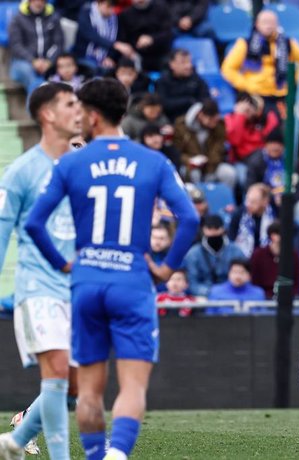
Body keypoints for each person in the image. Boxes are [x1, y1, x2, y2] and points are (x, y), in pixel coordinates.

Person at [24, 78, 200, 460]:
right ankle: (117, 455)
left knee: (88, 391)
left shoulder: (71, 162)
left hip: (86, 281)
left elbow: (35, 223)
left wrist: (64, 263)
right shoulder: (154, 161)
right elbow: (188, 219)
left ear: (92, 114)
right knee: (132, 387)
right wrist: (167, 268)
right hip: (133, 280)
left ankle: (93, 457)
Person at [0, 83, 80, 460]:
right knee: (60, 374)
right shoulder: (20, 172)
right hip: (38, 287)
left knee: (74, 382)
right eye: (69, 104)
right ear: (47, 114)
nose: (78, 110)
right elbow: (1, 234)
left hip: (79, 289)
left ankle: (19, 434)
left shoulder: (84, 168)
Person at [220, 10, 299, 102]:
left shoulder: (288, 43)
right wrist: (245, 85)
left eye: (272, 23)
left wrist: (292, 81)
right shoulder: (245, 43)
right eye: (265, 22)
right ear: (257, 24)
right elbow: (228, 69)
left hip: (282, 93)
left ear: (277, 24)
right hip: (255, 95)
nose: (268, 26)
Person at [172, 98, 237, 190]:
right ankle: (197, 202)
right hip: (189, 165)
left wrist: (207, 162)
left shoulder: (219, 126)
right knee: (195, 173)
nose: (214, 123)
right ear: (201, 115)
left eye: (216, 119)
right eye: (211, 120)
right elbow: (176, 152)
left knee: (229, 173)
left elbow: (219, 149)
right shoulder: (181, 126)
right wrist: (190, 161)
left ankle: (226, 202)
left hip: (212, 164)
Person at [9, 0, 65, 92]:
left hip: (48, 62)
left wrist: (49, 62)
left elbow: (59, 43)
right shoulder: (17, 18)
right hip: (22, 62)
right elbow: (16, 45)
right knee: (35, 82)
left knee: (67, 69)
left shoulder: (54, 17)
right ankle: (35, 105)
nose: (38, 3)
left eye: (42, 0)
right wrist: (33, 61)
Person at [184, 214, 245, 297]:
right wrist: (213, 293)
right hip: (203, 297)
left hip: (232, 294)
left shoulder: (236, 250)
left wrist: (227, 293)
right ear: (203, 230)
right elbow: (192, 283)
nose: (213, 232)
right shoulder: (193, 253)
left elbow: (244, 275)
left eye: (216, 228)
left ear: (223, 229)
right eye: (209, 229)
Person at [74, 0, 136, 71]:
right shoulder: (86, 13)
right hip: (84, 55)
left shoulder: (114, 18)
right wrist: (115, 45)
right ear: (99, 3)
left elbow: (117, 37)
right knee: (93, 69)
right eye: (108, 6)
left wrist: (110, 57)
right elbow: (91, 35)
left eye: (113, 6)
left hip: (105, 58)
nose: (111, 10)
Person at [156, 48, 211, 123]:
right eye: (183, 63)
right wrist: (188, 101)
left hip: (196, 119)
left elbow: (206, 100)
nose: (188, 66)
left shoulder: (197, 79)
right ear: (172, 64)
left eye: (189, 62)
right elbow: (164, 104)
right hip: (171, 121)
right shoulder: (162, 81)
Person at [249, 221, 299, 299]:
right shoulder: (258, 254)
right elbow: (254, 281)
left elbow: (296, 281)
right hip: (264, 297)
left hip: (288, 297)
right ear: (272, 236)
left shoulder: (294, 255)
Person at [117, 0, 173, 72]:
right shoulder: (125, 14)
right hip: (137, 54)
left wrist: (151, 39)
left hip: (160, 53)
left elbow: (168, 33)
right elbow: (123, 39)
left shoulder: (161, 9)